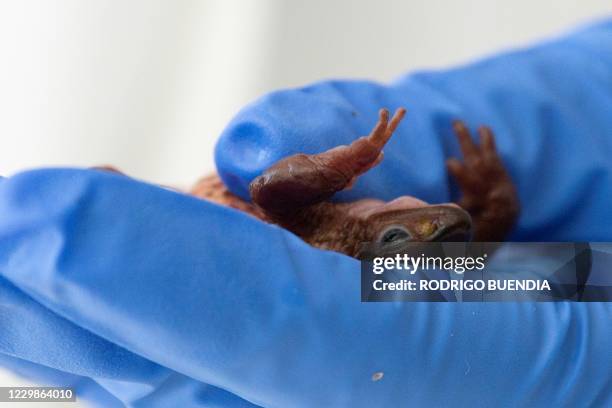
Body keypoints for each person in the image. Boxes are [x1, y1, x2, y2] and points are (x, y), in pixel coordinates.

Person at [1, 19, 611, 408]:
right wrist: (361, 160)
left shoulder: (360, 247)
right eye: (407, 235)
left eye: (411, 236)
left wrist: (355, 165)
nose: (431, 227)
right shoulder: (341, 235)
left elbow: (273, 192)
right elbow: (271, 190)